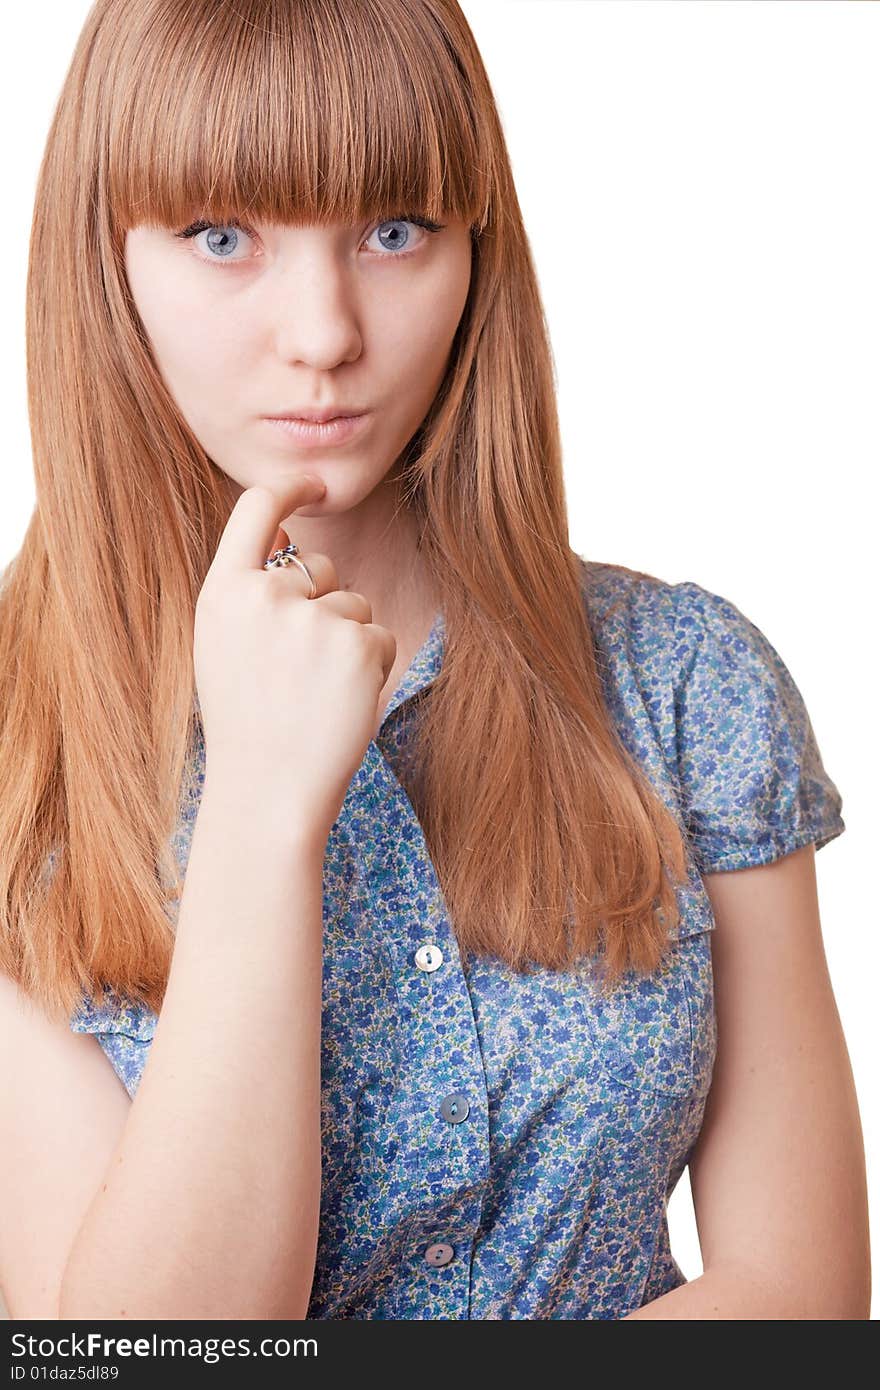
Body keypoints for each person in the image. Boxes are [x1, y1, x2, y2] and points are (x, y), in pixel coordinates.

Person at [0, 0, 869, 1322]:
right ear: (106, 257)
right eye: (221, 235)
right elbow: (144, 1353)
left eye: (393, 229)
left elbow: (800, 1294)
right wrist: (258, 807)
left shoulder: (686, 682)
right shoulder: (19, 733)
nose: (324, 332)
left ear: (477, 247)